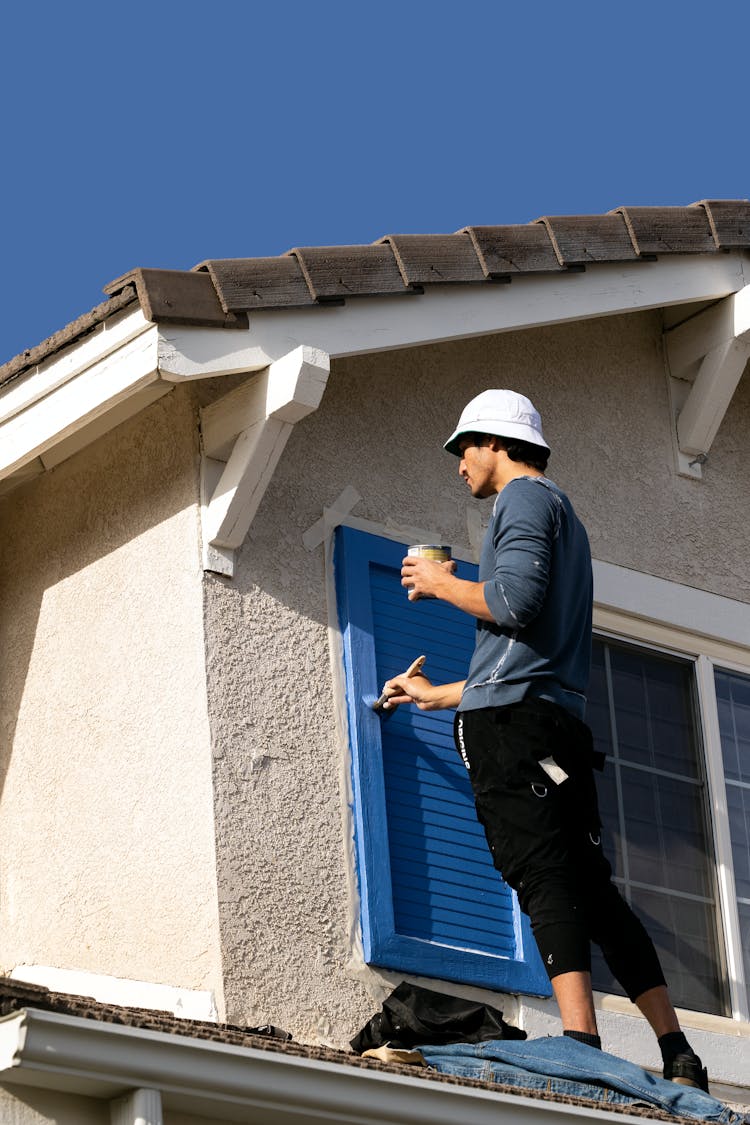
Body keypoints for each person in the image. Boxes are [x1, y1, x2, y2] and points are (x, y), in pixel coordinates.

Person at [383, 389, 708, 1091]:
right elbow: (528, 661)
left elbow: (511, 603)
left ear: (494, 443)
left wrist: (442, 582)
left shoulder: (523, 502)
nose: (458, 465)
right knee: (593, 887)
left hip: (514, 732)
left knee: (541, 872)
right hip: (553, 724)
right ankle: (677, 1048)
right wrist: (435, 694)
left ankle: (580, 1041)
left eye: (462, 448)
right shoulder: (567, 519)